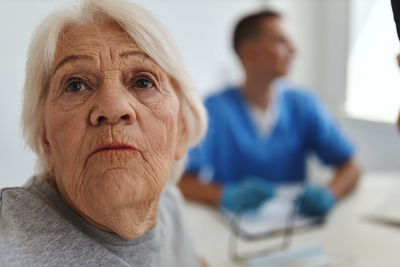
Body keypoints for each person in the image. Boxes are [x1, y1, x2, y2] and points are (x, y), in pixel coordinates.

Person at [0, 0, 208, 266]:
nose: (112, 108)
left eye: (143, 82)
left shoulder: (170, 206)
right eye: (75, 86)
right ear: (45, 138)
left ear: (182, 130)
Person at [179, 10, 361, 216]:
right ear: (249, 52)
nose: (294, 50)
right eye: (281, 41)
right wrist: (226, 194)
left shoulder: (304, 105)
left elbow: (351, 168)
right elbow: (183, 182)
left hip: (295, 225)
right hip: (233, 232)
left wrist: (330, 194)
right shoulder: (214, 109)